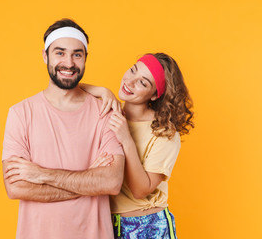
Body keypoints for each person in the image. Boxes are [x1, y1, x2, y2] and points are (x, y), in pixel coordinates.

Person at [1, 18, 125, 239]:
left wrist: (42, 175)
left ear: (85, 58)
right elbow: (17, 188)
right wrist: (88, 180)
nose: (69, 63)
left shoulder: (105, 112)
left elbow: (111, 182)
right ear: (45, 56)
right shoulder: (21, 113)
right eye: (60, 53)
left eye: (77, 54)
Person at [81, 53, 194, 238]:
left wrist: (127, 139)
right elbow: (66, 88)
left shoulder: (164, 133)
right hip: (106, 222)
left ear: (155, 94)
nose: (130, 82)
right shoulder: (109, 112)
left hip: (148, 227)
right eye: (133, 70)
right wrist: (103, 91)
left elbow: (141, 190)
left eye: (143, 82)